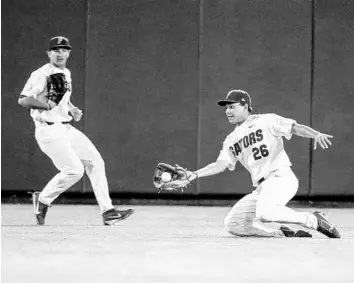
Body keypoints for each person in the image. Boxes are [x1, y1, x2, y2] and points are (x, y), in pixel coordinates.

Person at [185, 90, 341, 238]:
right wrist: (194, 174)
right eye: (226, 108)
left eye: (232, 106)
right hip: (261, 188)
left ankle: (313, 220)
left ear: (245, 106)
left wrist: (316, 134)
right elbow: (219, 165)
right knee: (233, 224)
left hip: (280, 178)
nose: (227, 111)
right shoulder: (231, 139)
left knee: (264, 213)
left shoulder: (266, 120)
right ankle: (281, 233)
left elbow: (294, 128)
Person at [18, 36, 134, 226]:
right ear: (49, 53)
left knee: (96, 162)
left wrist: (71, 108)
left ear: (69, 53)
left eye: (64, 50)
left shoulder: (66, 73)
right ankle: (43, 199)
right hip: (49, 131)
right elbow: (23, 99)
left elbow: (62, 99)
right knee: (74, 170)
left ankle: (108, 212)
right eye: (56, 50)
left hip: (66, 128)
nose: (60, 53)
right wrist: (45, 106)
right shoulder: (41, 74)